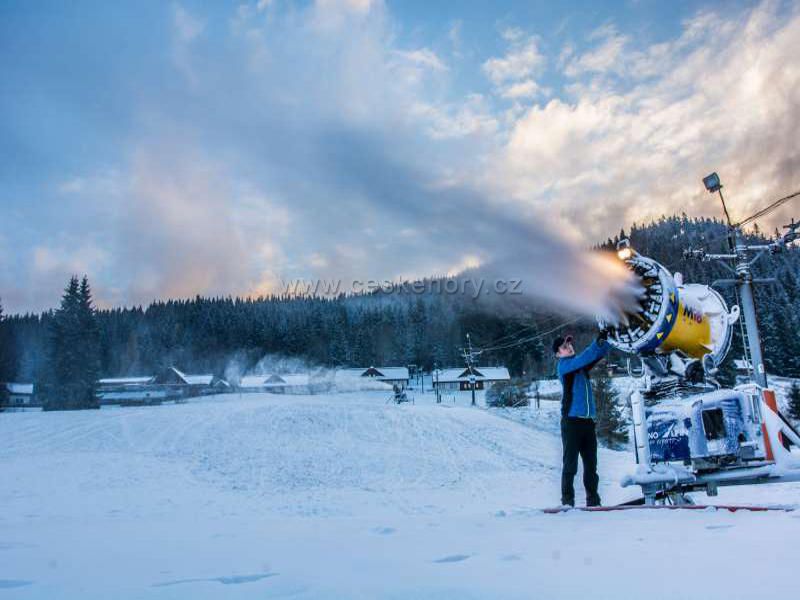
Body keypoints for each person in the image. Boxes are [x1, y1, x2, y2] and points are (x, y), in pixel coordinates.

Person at [552, 331, 610, 507]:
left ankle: (593, 501)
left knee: (591, 466)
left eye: (569, 344)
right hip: (571, 423)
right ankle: (567, 502)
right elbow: (586, 357)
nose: (569, 347)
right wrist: (595, 342)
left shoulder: (580, 368)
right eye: (564, 347)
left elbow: (597, 354)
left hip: (587, 423)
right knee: (570, 465)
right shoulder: (564, 367)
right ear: (558, 354)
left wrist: (606, 340)